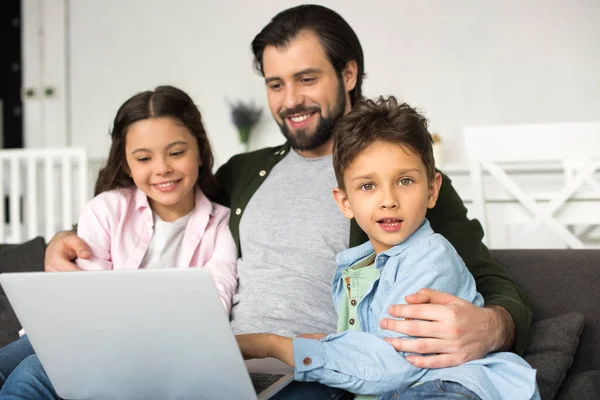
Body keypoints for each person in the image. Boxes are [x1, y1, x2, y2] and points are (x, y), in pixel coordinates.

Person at [43, 4, 532, 398]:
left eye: (307, 79)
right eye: (276, 84)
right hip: (221, 355)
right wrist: (71, 238)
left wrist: (493, 326)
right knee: (37, 372)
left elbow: (488, 279)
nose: (290, 99)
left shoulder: (398, 182)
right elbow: (161, 196)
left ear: (348, 74)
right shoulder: (245, 172)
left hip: (315, 368)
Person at [237, 96, 540, 400]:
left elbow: (394, 364)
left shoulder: (430, 259)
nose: (389, 199)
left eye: (405, 181)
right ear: (345, 202)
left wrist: (273, 346)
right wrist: (330, 344)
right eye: (368, 186)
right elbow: (373, 349)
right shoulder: (356, 267)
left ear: (432, 190)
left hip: (449, 387)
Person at [0, 86, 238, 399]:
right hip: (77, 334)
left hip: (152, 349)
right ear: (127, 164)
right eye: (143, 158)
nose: (162, 168)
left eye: (177, 153)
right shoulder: (106, 209)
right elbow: (88, 302)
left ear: (200, 151)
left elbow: (214, 306)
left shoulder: (220, 225)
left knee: (29, 376)